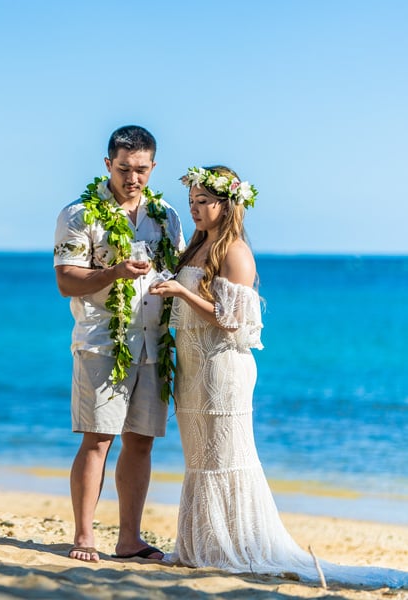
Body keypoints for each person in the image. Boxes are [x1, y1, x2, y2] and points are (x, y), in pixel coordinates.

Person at [149, 166, 407, 587]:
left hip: (222, 368)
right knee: (200, 459)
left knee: (226, 458)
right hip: (192, 367)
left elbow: (231, 321)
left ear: (226, 204)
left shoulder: (235, 252)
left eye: (203, 202)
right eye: (191, 202)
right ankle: (202, 547)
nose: (194, 209)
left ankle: (235, 546)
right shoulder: (197, 245)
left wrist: (181, 292)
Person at [53, 125, 184, 562]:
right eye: (125, 168)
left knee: (141, 441)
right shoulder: (79, 214)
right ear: (108, 164)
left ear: (153, 167)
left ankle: (129, 539)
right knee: (98, 438)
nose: (133, 178)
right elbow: (66, 281)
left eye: (142, 170)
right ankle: (84, 536)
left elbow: (182, 269)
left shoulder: (166, 216)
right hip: (101, 341)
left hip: (154, 341)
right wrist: (114, 273)